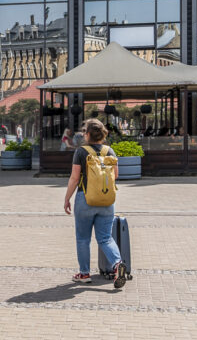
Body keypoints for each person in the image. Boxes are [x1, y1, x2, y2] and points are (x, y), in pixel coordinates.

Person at [63, 118, 127, 289]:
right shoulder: (110, 151)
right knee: (105, 238)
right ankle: (117, 265)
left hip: (85, 199)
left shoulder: (81, 152)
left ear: (88, 134)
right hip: (107, 201)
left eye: (85, 132)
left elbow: (75, 178)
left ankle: (84, 274)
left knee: (83, 239)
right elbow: (116, 175)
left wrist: (67, 198)